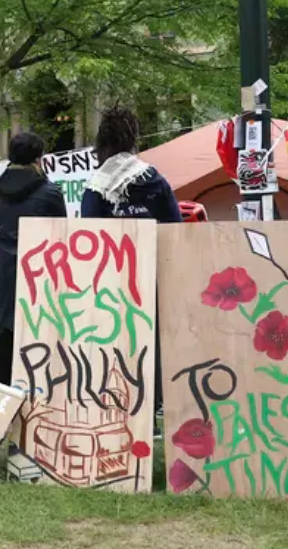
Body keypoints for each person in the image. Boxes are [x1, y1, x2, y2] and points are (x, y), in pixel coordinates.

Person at [82, 107, 182, 422]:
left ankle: (120, 403)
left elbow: (89, 234)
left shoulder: (97, 185)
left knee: (116, 339)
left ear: (101, 145)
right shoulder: (154, 179)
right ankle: (154, 403)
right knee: (152, 337)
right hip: (152, 272)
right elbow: (174, 226)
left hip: (112, 278)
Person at [0, 133, 67, 385]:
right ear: (38, 158)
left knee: (6, 328)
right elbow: (61, 234)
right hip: (41, 270)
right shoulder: (50, 192)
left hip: (7, 269)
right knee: (43, 327)